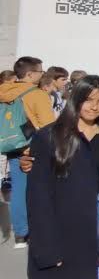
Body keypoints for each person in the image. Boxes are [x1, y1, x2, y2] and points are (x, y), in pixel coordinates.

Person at [27, 75, 99, 279]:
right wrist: (48, 249)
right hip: (65, 232)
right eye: (88, 99)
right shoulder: (51, 136)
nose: (94, 106)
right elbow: (38, 197)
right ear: (75, 99)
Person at [0, 56, 56, 248]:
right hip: (34, 146)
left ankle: (20, 234)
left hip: (12, 145)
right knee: (41, 189)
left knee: (18, 189)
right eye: (41, 71)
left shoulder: (5, 92)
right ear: (30, 74)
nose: (43, 74)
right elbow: (48, 125)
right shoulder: (37, 94)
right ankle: (40, 229)